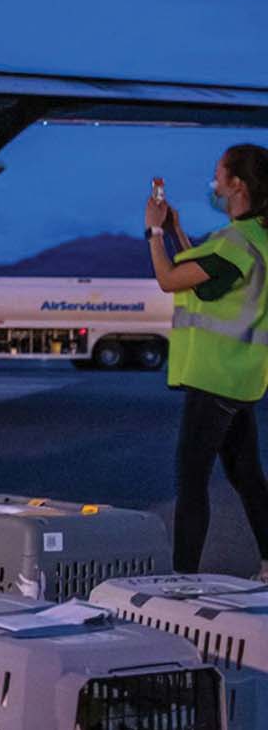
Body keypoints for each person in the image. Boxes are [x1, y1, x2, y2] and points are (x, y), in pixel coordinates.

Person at [145, 143, 268, 579]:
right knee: (247, 477)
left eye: (218, 175)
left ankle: (183, 581)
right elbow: (210, 280)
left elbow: (169, 279)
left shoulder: (235, 242)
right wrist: (178, 232)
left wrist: (154, 232)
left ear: (237, 184)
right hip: (240, 377)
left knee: (192, 481)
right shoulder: (254, 238)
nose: (213, 184)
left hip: (215, 378)